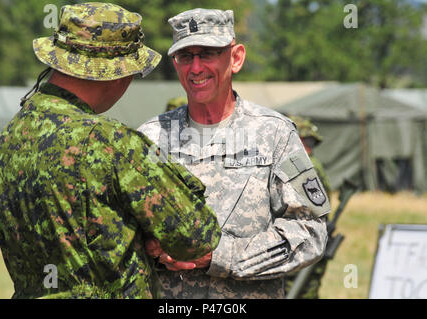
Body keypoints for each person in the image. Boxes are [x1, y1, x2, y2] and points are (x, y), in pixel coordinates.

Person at [0, 3, 221, 299]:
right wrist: (151, 237)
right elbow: (198, 236)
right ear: (117, 74)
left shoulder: (11, 135)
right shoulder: (110, 142)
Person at [138, 8, 330, 298]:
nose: (196, 68)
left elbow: (311, 232)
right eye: (186, 57)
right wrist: (148, 245)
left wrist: (219, 256)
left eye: (208, 54)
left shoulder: (275, 133)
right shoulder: (150, 138)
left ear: (236, 57)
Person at [284, 115, 332, 298]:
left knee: (301, 290)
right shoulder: (300, 163)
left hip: (303, 240)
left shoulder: (304, 165)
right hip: (301, 239)